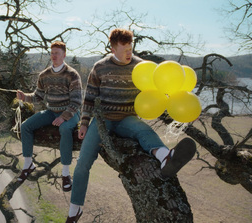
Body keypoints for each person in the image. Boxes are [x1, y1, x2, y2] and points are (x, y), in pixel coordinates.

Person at [65, 28, 196, 222]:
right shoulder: (100, 67)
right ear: (113, 48)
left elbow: (159, 91)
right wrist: (84, 123)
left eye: (130, 47)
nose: (129, 52)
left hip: (128, 118)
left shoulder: (142, 67)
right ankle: (75, 209)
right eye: (124, 48)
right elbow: (90, 98)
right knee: (83, 162)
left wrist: (177, 102)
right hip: (103, 120)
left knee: (144, 131)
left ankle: (166, 158)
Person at [16, 41, 82, 192]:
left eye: (57, 53)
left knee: (65, 129)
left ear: (64, 55)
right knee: (25, 126)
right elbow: (38, 96)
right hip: (51, 111)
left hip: (71, 112)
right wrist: (24, 97)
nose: (54, 56)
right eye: (52, 53)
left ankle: (66, 174)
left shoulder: (72, 74)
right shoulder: (44, 75)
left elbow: (77, 101)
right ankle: (28, 164)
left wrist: (64, 117)